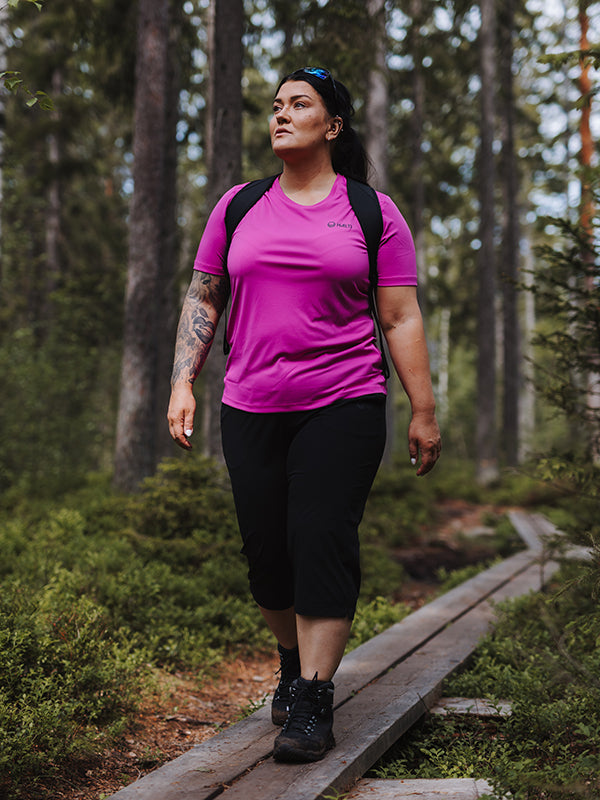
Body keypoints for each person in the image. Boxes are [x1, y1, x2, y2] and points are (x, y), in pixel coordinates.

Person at [167, 66, 441, 764]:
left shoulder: (372, 212)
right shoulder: (238, 206)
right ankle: (290, 663)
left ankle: (315, 698)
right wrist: (183, 383)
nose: (280, 115)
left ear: (333, 125)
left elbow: (401, 315)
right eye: (276, 105)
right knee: (268, 554)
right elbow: (204, 298)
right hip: (250, 401)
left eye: (299, 105)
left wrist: (423, 409)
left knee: (321, 536)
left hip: (345, 399)